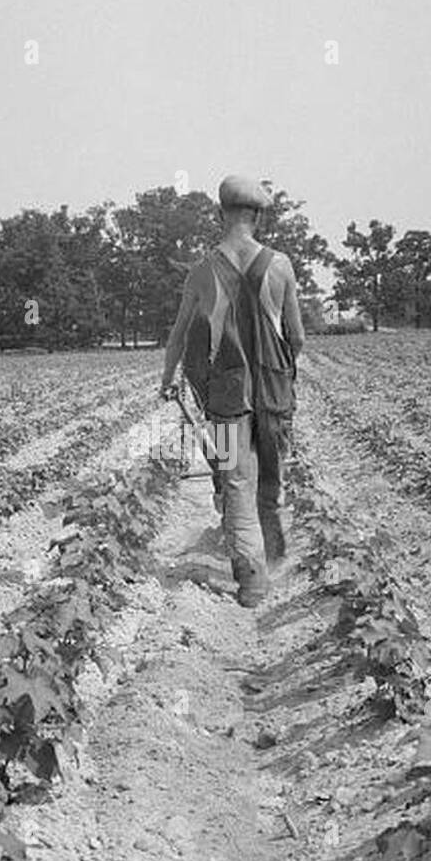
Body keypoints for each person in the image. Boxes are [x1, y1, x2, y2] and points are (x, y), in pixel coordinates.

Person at [159, 174, 306, 607]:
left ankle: (252, 580)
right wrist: (284, 368)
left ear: (219, 214)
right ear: (257, 217)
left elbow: (180, 335)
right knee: (271, 475)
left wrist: (168, 378)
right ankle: (275, 553)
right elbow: (296, 336)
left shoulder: (202, 272)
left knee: (236, 481)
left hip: (225, 393)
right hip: (275, 391)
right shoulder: (280, 266)